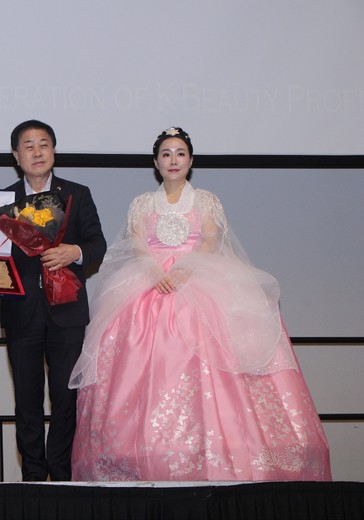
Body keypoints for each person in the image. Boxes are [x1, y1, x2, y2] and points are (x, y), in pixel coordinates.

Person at [69, 127, 331, 481]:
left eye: (180, 153)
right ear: (155, 163)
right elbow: (138, 243)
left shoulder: (206, 200)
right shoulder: (142, 204)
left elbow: (209, 241)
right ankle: (140, 455)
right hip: (149, 282)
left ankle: (220, 452)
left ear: (190, 161)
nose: (173, 160)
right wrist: (153, 272)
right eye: (165, 154)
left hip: (197, 278)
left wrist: (186, 269)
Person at [0, 120, 106, 481]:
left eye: (44, 144)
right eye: (28, 146)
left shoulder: (77, 194)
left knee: (66, 398)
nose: (37, 152)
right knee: (26, 401)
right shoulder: (2, 202)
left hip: (67, 312)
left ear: (54, 151)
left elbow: (97, 244)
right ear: (16, 156)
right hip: (21, 313)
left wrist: (74, 252)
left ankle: (61, 476)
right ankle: (32, 476)